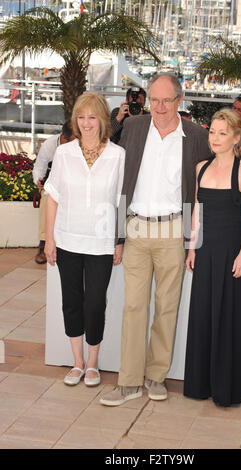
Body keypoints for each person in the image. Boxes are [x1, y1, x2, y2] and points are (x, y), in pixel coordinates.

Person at [99, 73, 211, 407]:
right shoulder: (133, 129)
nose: (160, 107)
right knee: (133, 306)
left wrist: (193, 240)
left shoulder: (195, 136)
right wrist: (118, 236)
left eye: (167, 100)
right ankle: (129, 382)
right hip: (135, 228)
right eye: (155, 99)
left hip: (173, 230)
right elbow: (120, 183)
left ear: (180, 100)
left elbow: (201, 188)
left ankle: (156, 376)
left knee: (166, 308)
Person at [44, 92, 125, 387]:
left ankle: (93, 363)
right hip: (67, 240)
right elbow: (52, 196)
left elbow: (121, 201)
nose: (87, 123)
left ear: (103, 119)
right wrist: (49, 239)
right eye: (81, 117)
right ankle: (76, 362)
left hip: (101, 243)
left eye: (92, 117)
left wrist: (120, 240)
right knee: (72, 301)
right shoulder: (65, 153)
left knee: (94, 303)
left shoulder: (118, 155)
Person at [184, 108, 241, 407]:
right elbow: (197, 213)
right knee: (202, 316)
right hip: (204, 252)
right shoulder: (201, 167)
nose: (214, 138)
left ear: (236, 137)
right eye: (212, 132)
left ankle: (227, 389)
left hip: (231, 253)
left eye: (222, 133)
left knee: (228, 319)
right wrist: (191, 247)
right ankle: (200, 385)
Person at [33, 122, 75, 264]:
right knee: (47, 196)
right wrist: (38, 180)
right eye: (70, 141)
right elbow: (39, 168)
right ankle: (44, 242)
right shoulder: (49, 145)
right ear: (63, 137)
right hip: (53, 185)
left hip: (73, 186)